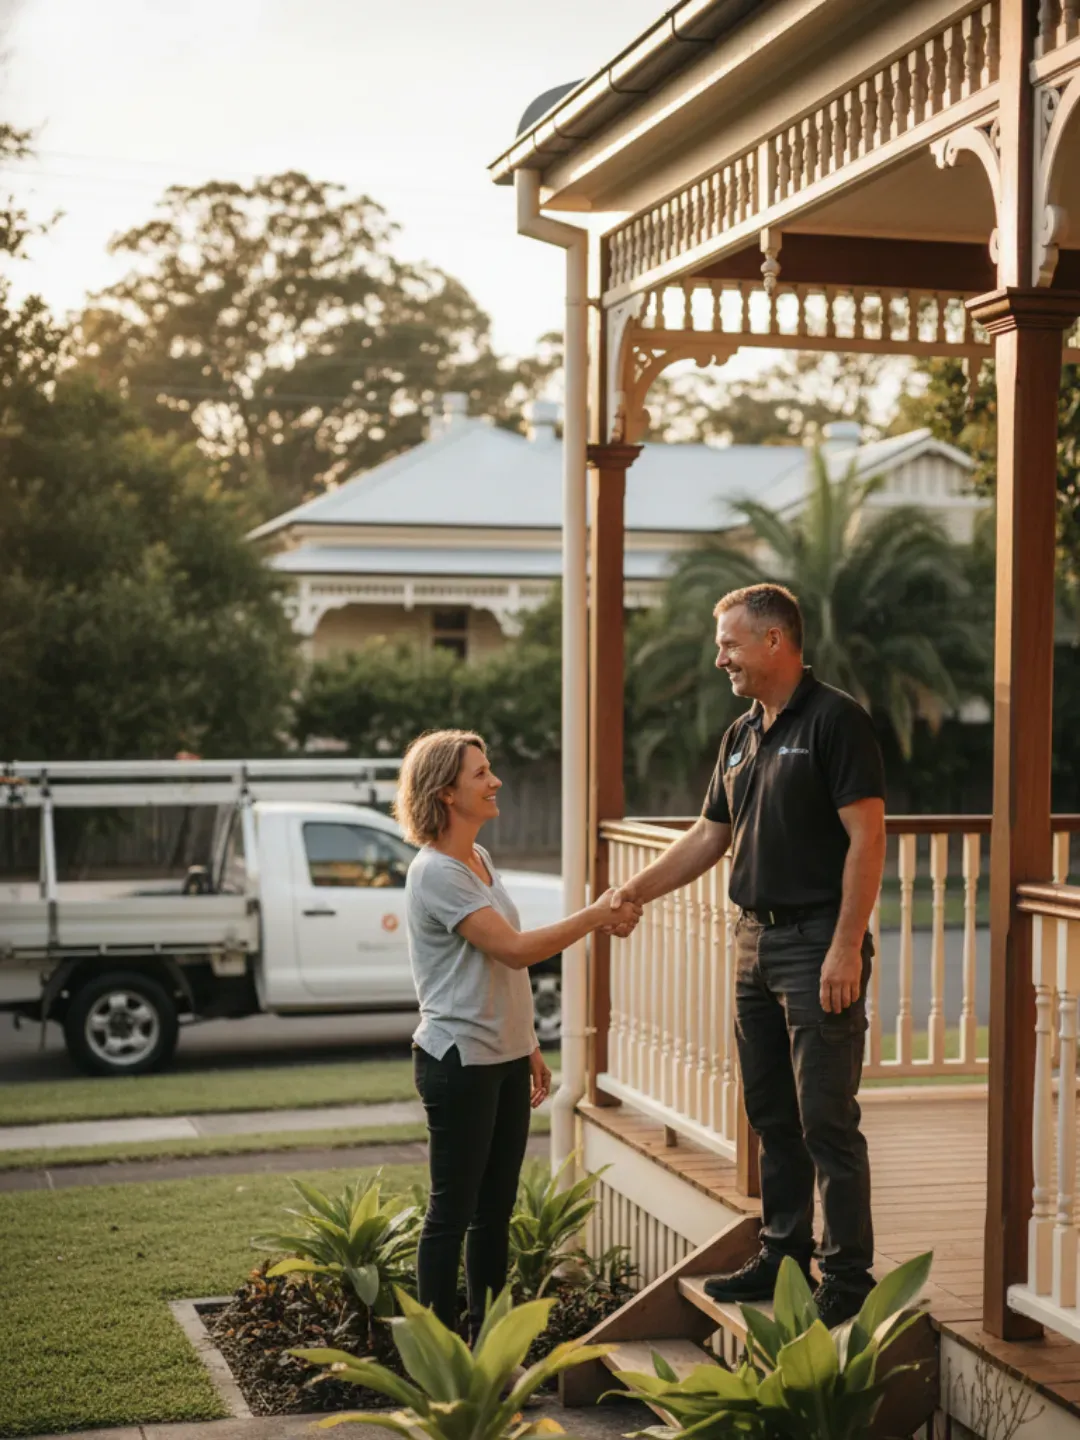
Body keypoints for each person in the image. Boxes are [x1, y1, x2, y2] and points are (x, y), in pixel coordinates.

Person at [608, 584, 886, 1328]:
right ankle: (784, 1253)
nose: (719, 656)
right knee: (770, 1111)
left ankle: (848, 1276)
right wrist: (631, 891)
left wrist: (845, 948)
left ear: (774, 641)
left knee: (825, 1114)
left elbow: (867, 837)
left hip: (817, 941)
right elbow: (708, 836)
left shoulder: (836, 721)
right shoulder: (741, 734)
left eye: (729, 642)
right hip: (752, 941)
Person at [395, 728, 642, 1339]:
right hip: (459, 1063)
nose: (495, 780)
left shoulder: (478, 860)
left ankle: (490, 1347)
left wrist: (528, 1044)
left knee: (494, 1214)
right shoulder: (437, 873)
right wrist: (595, 914)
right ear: (446, 793)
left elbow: (499, 975)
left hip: (502, 1059)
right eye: (481, 773)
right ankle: (438, 1355)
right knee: (452, 1214)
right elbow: (511, 951)